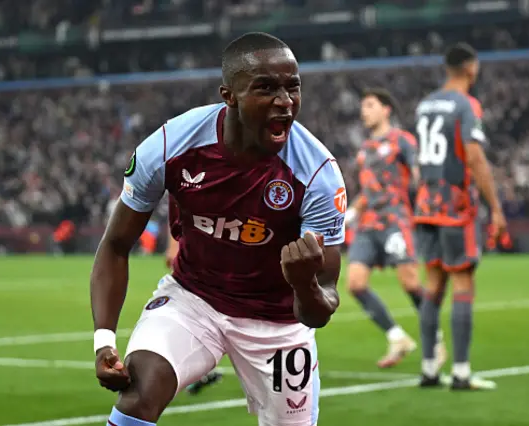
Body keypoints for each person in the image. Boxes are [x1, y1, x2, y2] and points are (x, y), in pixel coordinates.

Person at [90, 32, 347, 426]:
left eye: (292, 87)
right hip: (194, 301)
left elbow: (321, 306)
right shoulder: (169, 147)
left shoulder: (317, 175)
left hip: (277, 323)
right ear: (229, 95)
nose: (285, 102)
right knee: (137, 397)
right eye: (266, 88)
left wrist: (304, 285)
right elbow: (116, 244)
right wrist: (104, 341)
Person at [413, 42, 507, 390]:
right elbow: (474, 155)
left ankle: (429, 369)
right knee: (464, 283)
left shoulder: (425, 105)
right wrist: (496, 207)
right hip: (456, 206)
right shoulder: (466, 104)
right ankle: (462, 372)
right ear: (471, 68)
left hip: (426, 204)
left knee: (434, 286)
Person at [345, 88, 446, 368]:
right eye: (363, 106)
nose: (364, 111)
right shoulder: (365, 150)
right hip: (368, 225)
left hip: (394, 221)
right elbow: (369, 190)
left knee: (411, 283)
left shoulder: (402, 141)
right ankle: (397, 336)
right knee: (354, 284)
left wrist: (429, 199)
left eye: (370, 105)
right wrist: (352, 212)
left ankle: (435, 338)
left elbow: (418, 173)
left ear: (386, 109)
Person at [163, 193, 223, 395]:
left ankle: (199, 373)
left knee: (207, 322)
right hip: (194, 275)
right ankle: (196, 374)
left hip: (207, 272)